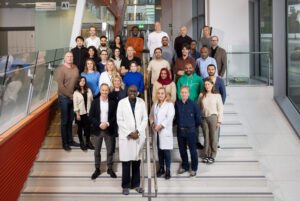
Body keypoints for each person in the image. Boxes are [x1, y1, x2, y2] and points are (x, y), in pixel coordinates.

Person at [117, 85, 148, 195]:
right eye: (130, 91)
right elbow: (119, 120)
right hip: (126, 137)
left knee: (136, 161)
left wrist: (138, 132)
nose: (132, 93)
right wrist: (130, 133)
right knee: (126, 162)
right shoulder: (121, 103)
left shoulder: (141, 102)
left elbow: (145, 118)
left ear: (137, 92)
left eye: (135, 91)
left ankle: (136, 184)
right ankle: (125, 186)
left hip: (138, 136)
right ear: (127, 91)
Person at [89, 83, 117, 179]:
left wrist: (108, 123)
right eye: (103, 90)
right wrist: (99, 124)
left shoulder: (112, 103)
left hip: (109, 130)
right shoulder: (95, 102)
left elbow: (114, 117)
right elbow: (91, 116)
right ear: (100, 91)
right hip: (98, 130)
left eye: (106, 90)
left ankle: (110, 168)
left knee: (109, 151)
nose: (104, 92)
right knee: (97, 151)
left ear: (108, 91)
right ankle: (97, 169)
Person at [177, 62, 204, 149]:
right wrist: (183, 101)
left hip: (195, 104)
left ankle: (195, 141)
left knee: (195, 123)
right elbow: (178, 92)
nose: (188, 69)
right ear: (184, 69)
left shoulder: (199, 79)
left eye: (190, 68)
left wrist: (197, 101)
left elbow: (202, 91)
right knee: (184, 122)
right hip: (184, 104)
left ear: (193, 68)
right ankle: (185, 142)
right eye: (186, 68)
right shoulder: (180, 80)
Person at [149, 87, 175, 179]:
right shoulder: (155, 104)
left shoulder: (169, 104)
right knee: (159, 151)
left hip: (164, 131)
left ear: (165, 94)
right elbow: (151, 116)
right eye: (159, 93)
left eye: (162, 93)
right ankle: (161, 168)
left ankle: (168, 170)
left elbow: (169, 117)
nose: (160, 95)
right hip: (156, 132)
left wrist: (160, 126)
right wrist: (152, 124)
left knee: (166, 152)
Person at [176, 86, 201, 177]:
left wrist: (192, 127)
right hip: (180, 131)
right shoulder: (177, 104)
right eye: (182, 92)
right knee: (182, 150)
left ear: (189, 94)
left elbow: (198, 120)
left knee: (193, 150)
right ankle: (185, 166)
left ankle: (194, 168)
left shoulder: (194, 105)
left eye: (185, 92)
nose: (184, 94)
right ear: (180, 93)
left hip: (191, 131)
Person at [57, 51, 80, 151]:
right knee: (65, 121)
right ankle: (65, 143)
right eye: (68, 56)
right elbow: (60, 86)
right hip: (64, 98)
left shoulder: (75, 68)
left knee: (71, 120)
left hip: (73, 98)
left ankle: (70, 140)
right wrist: (70, 95)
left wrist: (75, 95)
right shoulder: (61, 69)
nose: (70, 58)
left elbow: (77, 82)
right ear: (64, 58)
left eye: (71, 56)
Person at [198, 78, 223, 164]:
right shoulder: (201, 95)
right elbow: (199, 108)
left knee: (213, 137)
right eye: (205, 84)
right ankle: (206, 155)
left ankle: (212, 155)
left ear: (212, 85)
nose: (207, 86)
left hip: (213, 117)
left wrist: (219, 121)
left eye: (208, 84)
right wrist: (200, 118)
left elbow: (220, 109)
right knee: (206, 137)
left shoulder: (217, 95)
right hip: (204, 118)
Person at [73, 76, 94, 150]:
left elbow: (92, 101)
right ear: (78, 82)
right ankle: (82, 143)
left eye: (84, 81)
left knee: (87, 128)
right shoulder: (76, 93)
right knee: (80, 129)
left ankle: (88, 142)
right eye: (81, 80)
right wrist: (77, 114)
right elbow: (75, 104)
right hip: (80, 114)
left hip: (87, 113)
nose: (82, 82)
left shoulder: (89, 90)